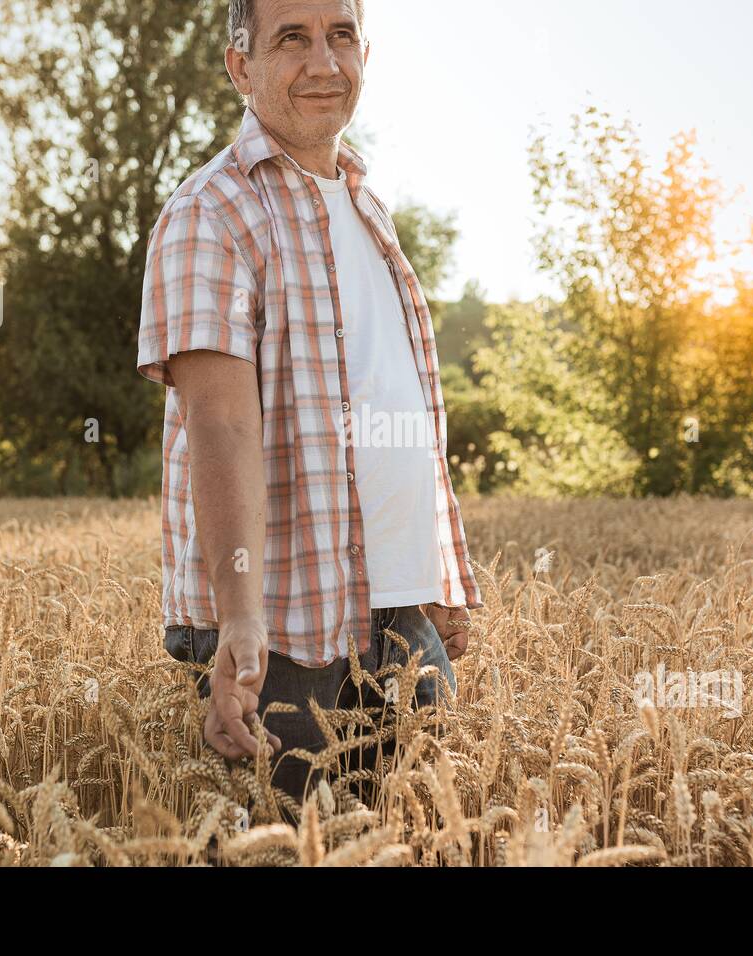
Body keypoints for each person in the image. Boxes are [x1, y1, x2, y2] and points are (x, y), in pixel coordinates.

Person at [136, 0, 482, 806]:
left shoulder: (365, 205)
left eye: (342, 35)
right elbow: (220, 427)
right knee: (288, 847)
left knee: (414, 843)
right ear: (239, 66)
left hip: (395, 611)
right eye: (292, 38)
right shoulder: (212, 212)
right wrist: (241, 620)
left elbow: (393, 397)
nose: (323, 62)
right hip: (282, 627)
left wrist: (434, 576)